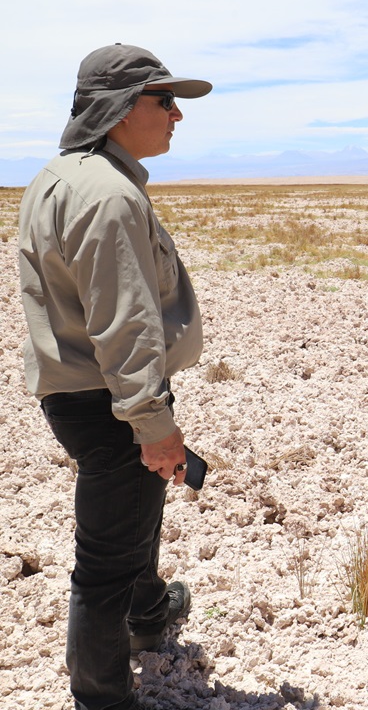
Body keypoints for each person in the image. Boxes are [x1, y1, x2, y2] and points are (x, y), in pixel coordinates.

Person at [18, 44, 210, 710]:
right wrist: (153, 423)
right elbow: (123, 323)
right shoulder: (107, 195)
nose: (177, 115)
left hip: (86, 392)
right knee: (104, 560)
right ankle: (100, 695)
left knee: (136, 512)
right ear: (121, 109)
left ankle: (151, 613)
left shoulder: (61, 176)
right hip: (110, 398)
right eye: (164, 101)